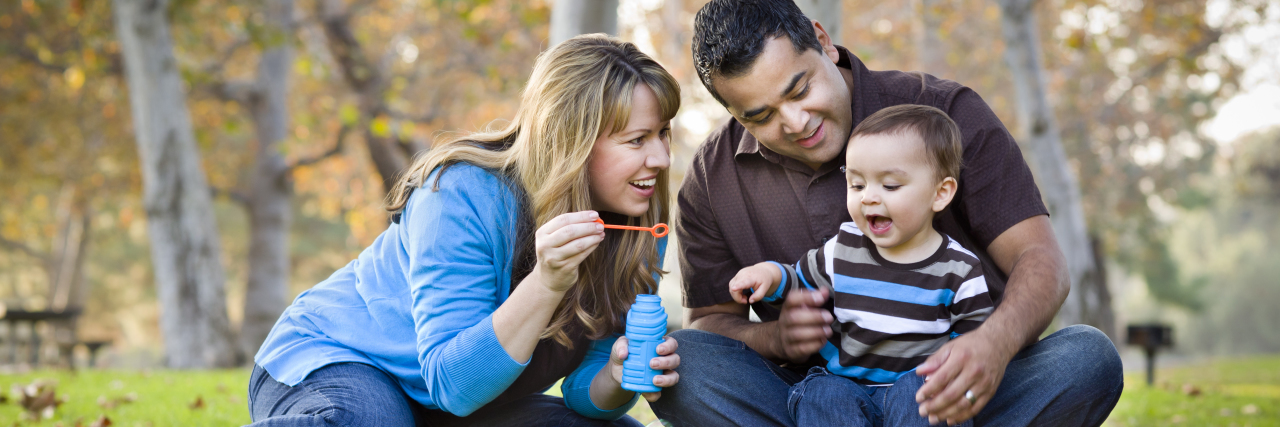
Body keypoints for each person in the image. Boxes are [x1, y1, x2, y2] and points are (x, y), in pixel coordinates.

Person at [650, 1, 1123, 426]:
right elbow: (709, 322)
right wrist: (776, 339)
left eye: (800, 90)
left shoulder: (946, 113)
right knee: (679, 364)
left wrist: (993, 345)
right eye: (759, 116)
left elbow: (1040, 258)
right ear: (733, 111)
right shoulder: (712, 177)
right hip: (811, 398)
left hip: (953, 389)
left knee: (1085, 359)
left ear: (823, 41)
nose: (795, 123)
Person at [247, 34, 683, 427]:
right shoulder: (461, 192)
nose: (661, 158)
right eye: (637, 139)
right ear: (572, 140)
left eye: (663, 133)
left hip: (458, 405)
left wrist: (617, 374)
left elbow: (584, 391)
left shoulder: (639, 226)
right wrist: (547, 282)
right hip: (340, 359)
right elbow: (452, 383)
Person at [727, 105, 993, 426]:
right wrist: (770, 276)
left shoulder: (959, 269)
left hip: (916, 390)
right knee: (822, 393)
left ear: (940, 193)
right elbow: (799, 281)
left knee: (923, 392)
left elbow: (976, 343)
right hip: (848, 386)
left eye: (890, 185)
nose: (868, 198)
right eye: (857, 185)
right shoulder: (844, 248)